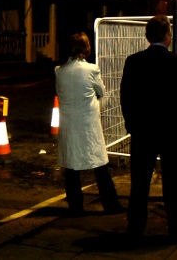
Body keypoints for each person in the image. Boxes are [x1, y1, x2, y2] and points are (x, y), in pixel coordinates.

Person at [120, 15, 177, 243]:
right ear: (167, 37)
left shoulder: (133, 61)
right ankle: (176, 230)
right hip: (172, 133)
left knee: (140, 184)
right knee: (172, 186)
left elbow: (126, 97)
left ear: (147, 36)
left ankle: (135, 229)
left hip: (143, 131)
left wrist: (131, 124)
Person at [55, 32, 125, 217]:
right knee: (100, 164)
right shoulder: (92, 70)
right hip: (88, 123)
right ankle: (111, 204)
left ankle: (76, 207)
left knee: (71, 167)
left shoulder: (59, 71)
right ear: (87, 49)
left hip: (69, 124)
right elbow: (101, 91)